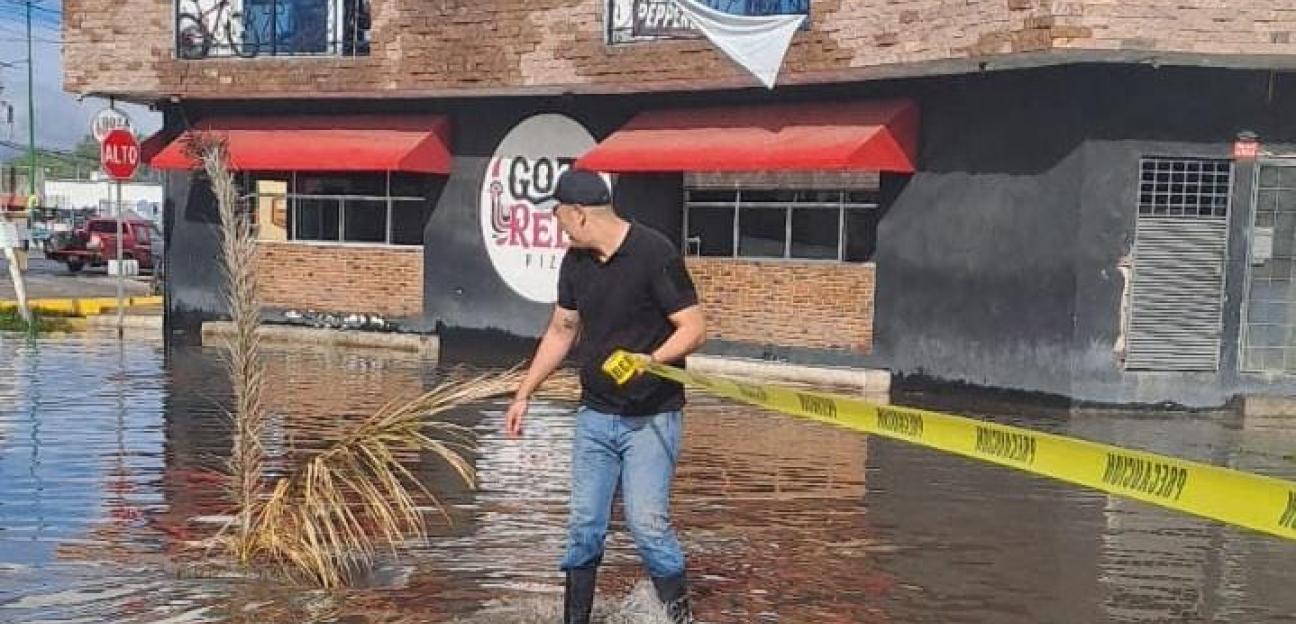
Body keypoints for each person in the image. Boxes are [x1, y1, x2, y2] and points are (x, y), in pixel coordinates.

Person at [505, 169, 707, 624]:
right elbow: (562, 330)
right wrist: (524, 394)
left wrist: (649, 360)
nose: (554, 224)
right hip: (594, 416)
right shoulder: (574, 262)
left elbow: (694, 329)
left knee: (647, 527)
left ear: (578, 214)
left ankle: (679, 617)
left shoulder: (655, 253)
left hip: (652, 416)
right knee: (583, 529)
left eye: (556, 214)